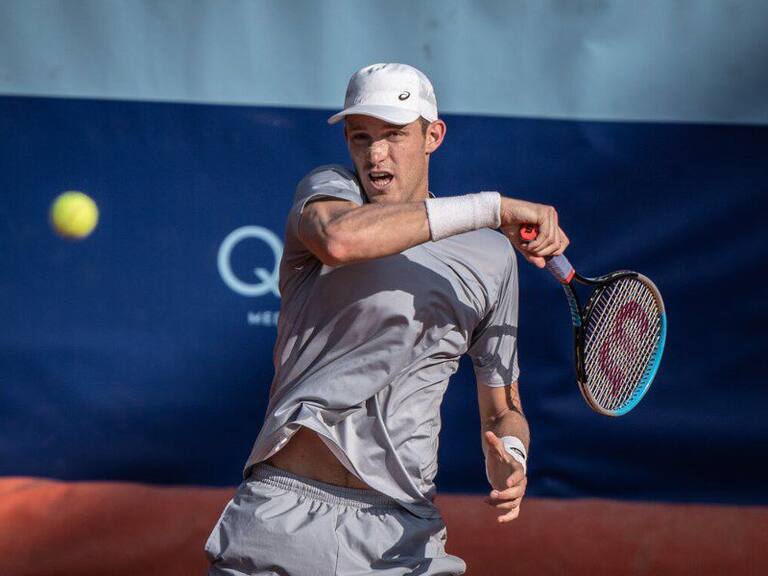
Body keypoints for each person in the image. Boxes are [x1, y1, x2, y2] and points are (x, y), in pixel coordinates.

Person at [205, 62, 569, 575]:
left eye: (394, 135)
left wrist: (510, 453)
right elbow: (341, 240)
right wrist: (493, 208)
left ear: (432, 136)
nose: (375, 155)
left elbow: (503, 407)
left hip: (403, 538)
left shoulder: (490, 257)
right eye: (361, 137)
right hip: (285, 519)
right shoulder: (330, 193)